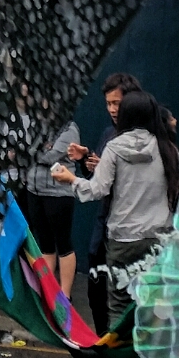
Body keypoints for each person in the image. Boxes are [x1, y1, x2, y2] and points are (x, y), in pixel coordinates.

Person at [51, 88, 179, 332]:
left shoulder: (114, 148)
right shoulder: (168, 150)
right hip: (158, 242)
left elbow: (96, 190)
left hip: (122, 242)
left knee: (119, 307)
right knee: (155, 309)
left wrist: (71, 179)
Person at [66, 71, 140, 335]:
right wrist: (87, 161)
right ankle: (103, 350)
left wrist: (110, 172)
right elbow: (97, 182)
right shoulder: (109, 133)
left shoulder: (141, 139)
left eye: (117, 103)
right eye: (108, 104)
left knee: (121, 295)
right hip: (103, 224)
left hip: (129, 229)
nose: (112, 109)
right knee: (96, 291)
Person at [20, 117, 81, 298]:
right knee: (45, 244)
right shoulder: (36, 123)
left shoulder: (70, 128)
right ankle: (48, 292)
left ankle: (65, 295)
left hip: (59, 193)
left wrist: (29, 150)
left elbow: (50, 156)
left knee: (63, 243)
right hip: (34, 189)